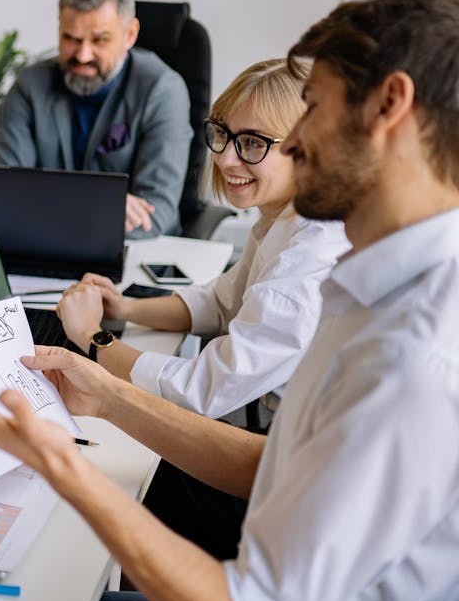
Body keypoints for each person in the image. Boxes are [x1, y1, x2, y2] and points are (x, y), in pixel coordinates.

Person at [0, 0, 459, 601]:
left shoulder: (416, 350)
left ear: (389, 106)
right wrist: (105, 394)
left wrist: (56, 460)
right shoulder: (373, 278)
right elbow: (277, 465)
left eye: (312, 105)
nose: (296, 138)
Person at [56, 59, 349, 561]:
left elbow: (203, 391)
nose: (229, 159)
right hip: (260, 443)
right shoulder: (283, 218)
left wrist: (96, 342)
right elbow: (218, 302)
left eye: (254, 143)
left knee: (97, 479)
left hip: (272, 492)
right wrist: (125, 306)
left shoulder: (309, 258)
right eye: (224, 135)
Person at [0, 0, 192, 238]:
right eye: (71, 38)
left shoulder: (163, 90)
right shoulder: (30, 86)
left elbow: (155, 214)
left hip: (136, 251)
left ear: (130, 35)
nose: (83, 55)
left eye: (99, 40)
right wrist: (103, 208)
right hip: (44, 242)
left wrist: (45, 204)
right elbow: (4, 191)